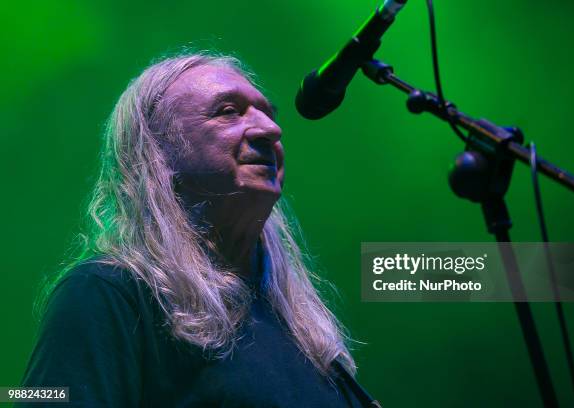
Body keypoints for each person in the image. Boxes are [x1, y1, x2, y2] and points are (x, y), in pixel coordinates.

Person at [18, 52, 377, 407]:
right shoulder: (108, 293)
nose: (271, 129)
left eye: (267, 113)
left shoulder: (300, 331)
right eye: (228, 112)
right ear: (160, 150)